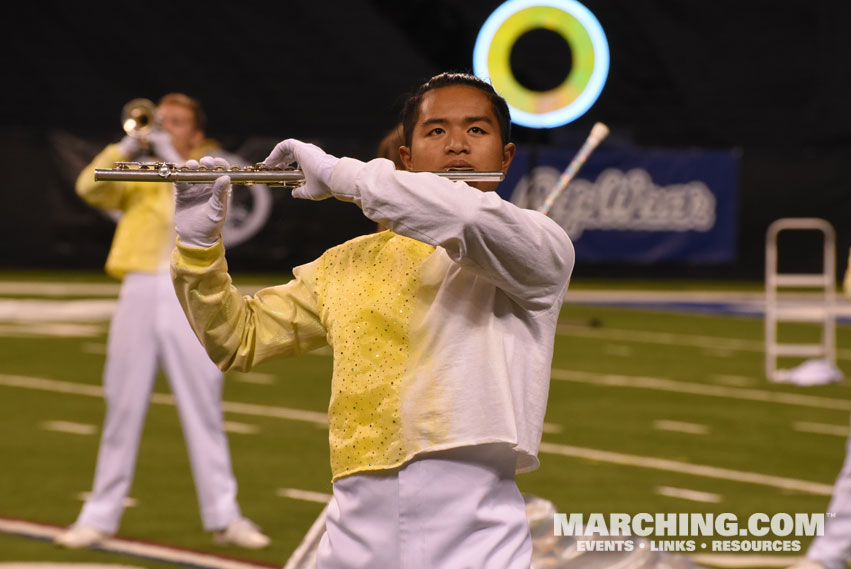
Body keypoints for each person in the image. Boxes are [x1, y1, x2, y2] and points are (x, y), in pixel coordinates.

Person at [170, 73, 575, 568]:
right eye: (435, 132)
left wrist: (342, 174)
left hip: (473, 535)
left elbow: (469, 218)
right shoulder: (346, 263)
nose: (456, 146)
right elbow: (239, 339)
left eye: (476, 131)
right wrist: (197, 248)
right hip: (353, 528)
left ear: (505, 157)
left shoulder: (538, 247)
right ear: (405, 158)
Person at [55, 93, 270, 550]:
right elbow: (88, 187)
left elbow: (209, 208)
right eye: (161, 120)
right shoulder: (142, 170)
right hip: (138, 285)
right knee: (122, 403)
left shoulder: (212, 165)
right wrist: (127, 147)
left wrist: (170, 155)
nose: (163, 128)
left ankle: (224, 515)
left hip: (189, 293)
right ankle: (99, 516)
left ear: (195, 132)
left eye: (175, 122)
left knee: (204, 405)